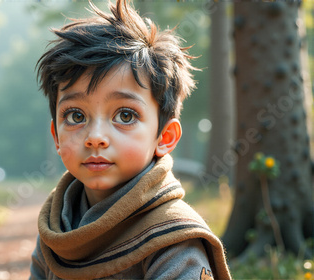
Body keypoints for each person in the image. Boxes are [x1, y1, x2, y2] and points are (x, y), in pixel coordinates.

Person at [30, 0, 231, 279]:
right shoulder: (56, 229)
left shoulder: (172, 237)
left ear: (164, 137)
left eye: (125, 116)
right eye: (76, 116)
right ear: (56, 136)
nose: (96, 138)